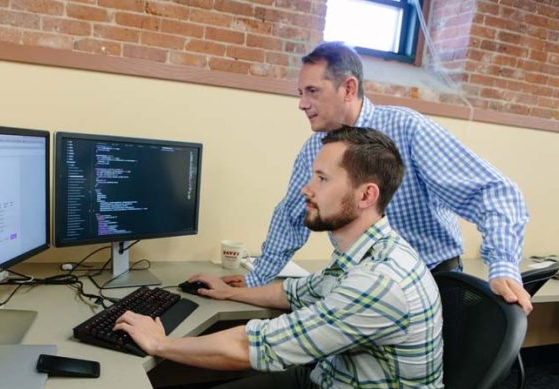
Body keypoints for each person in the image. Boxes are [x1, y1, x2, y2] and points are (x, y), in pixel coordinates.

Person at [115, 126, 444, 389]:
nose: (307, 188)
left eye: (322, 179)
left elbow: (252, 346)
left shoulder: (380, 281)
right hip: (330, 385)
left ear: (365, 196)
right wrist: (231, 294)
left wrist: (160, 344)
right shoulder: (362, 252)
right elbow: (295, 292)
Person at [222, 41, 532, 314]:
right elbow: (291, 217)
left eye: (313, 91)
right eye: (301, 93)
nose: (302, 104)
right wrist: (254, 279)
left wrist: (502, 264)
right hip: (363, 282)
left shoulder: (407, 129)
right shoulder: (314, 150)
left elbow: (495, 193)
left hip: (429, 281)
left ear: (349, 88)